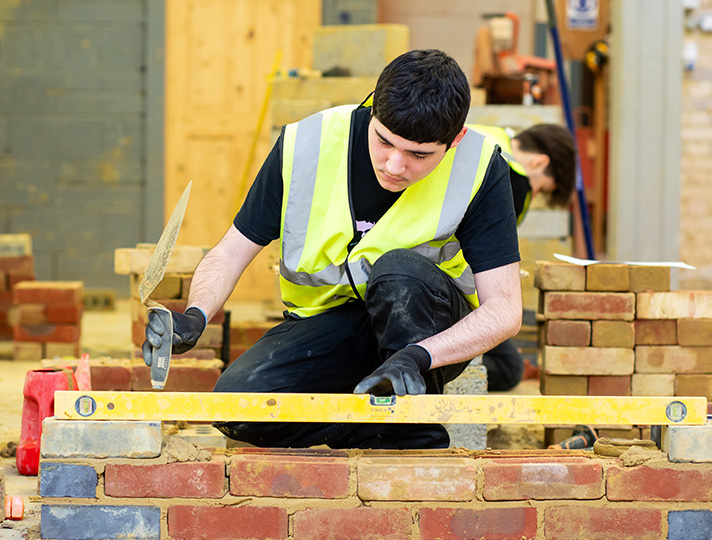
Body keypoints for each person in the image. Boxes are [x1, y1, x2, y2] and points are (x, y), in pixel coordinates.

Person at [143, 49, 522, 449]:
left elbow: (505, 309)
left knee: (399, 272)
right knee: (237, 406)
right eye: (384, 142)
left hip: (425, 336)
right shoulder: (306, 144)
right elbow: (231, 250)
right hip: (332, 326)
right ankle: (372, 427)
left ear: (455, 139)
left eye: (418, 155)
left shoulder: (479, 167)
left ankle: (411, 431)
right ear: (373, 108)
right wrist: (197, 314)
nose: (394, 165)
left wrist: (419, 355)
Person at [469, 123, 575, 391]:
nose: (533, 194)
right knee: (509, 368)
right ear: (539, 162)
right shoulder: (513, 178)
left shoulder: (489, 136)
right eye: (541, 189)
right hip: (442, 283)